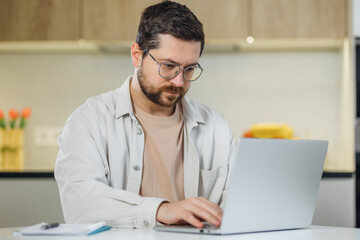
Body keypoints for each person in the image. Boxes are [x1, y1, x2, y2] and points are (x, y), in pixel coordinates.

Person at [55, 0, 235, 229]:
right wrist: (160, 210)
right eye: (168, 66)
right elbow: (80, 204)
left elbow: (238, 202)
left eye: (189, 69)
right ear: (137, 55)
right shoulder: (88, 121)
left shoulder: (216, 127)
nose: (179, 81)